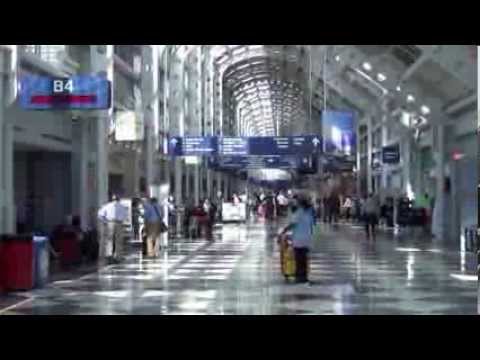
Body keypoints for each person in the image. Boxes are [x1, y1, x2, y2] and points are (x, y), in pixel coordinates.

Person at [279, 195, 315, 284]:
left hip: (299, 238)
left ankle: (299, 277)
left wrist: (283, 231)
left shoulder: (300, 212)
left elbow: (293, 224)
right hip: (307, 238)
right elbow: (311, 224)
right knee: (304, 258)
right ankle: (304, 276)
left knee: (299, 258)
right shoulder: (309, 212)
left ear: (300, 203)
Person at [97, 195, 128, 264]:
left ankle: (109, 255)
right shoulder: (122, 206)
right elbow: (125, 216)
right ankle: (118, 256)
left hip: (110, 223)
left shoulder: (107, 205)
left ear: (112, 199)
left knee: (109, 240)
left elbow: (100, 214)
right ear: (119, 199)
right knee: (119, 241)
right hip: (119, 223)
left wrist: (105, 221)